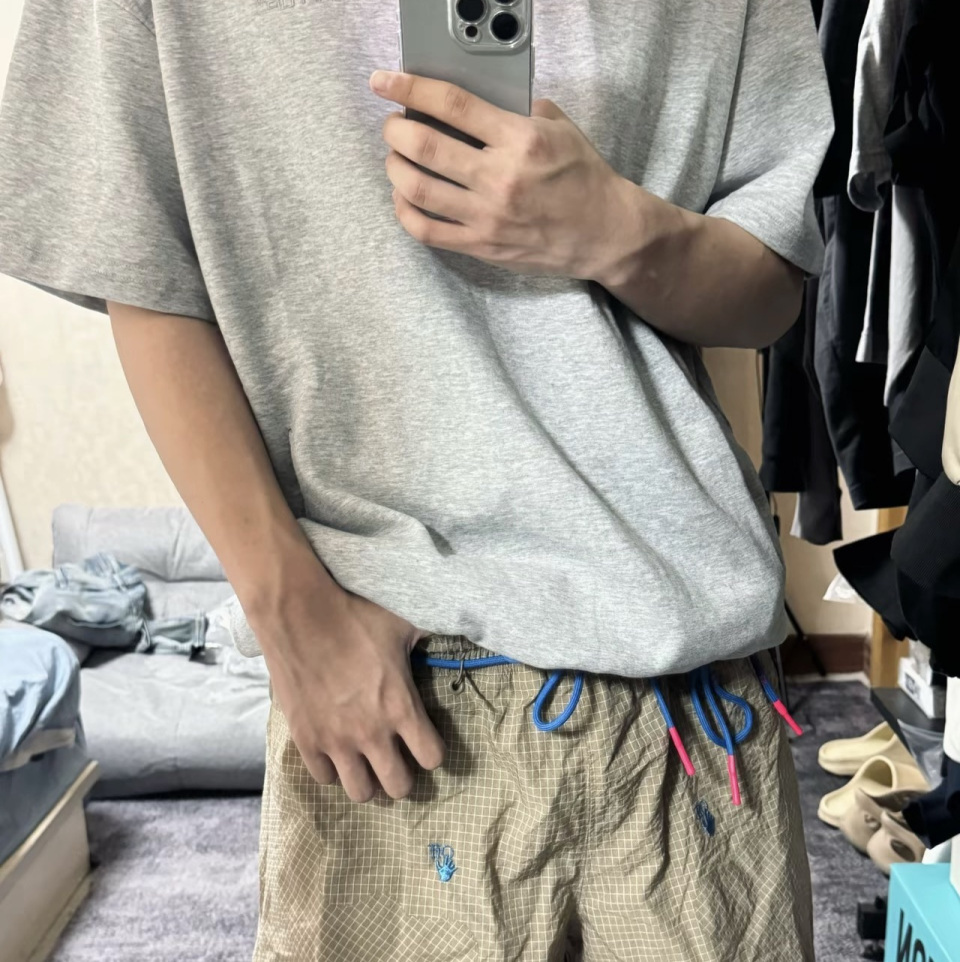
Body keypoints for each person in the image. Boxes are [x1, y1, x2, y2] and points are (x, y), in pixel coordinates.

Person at [0, 0, 833, 958]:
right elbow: (135, 257)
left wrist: (618, 231)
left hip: (687, 695)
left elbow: (770, 289)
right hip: (398, 708)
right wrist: (290, 616)